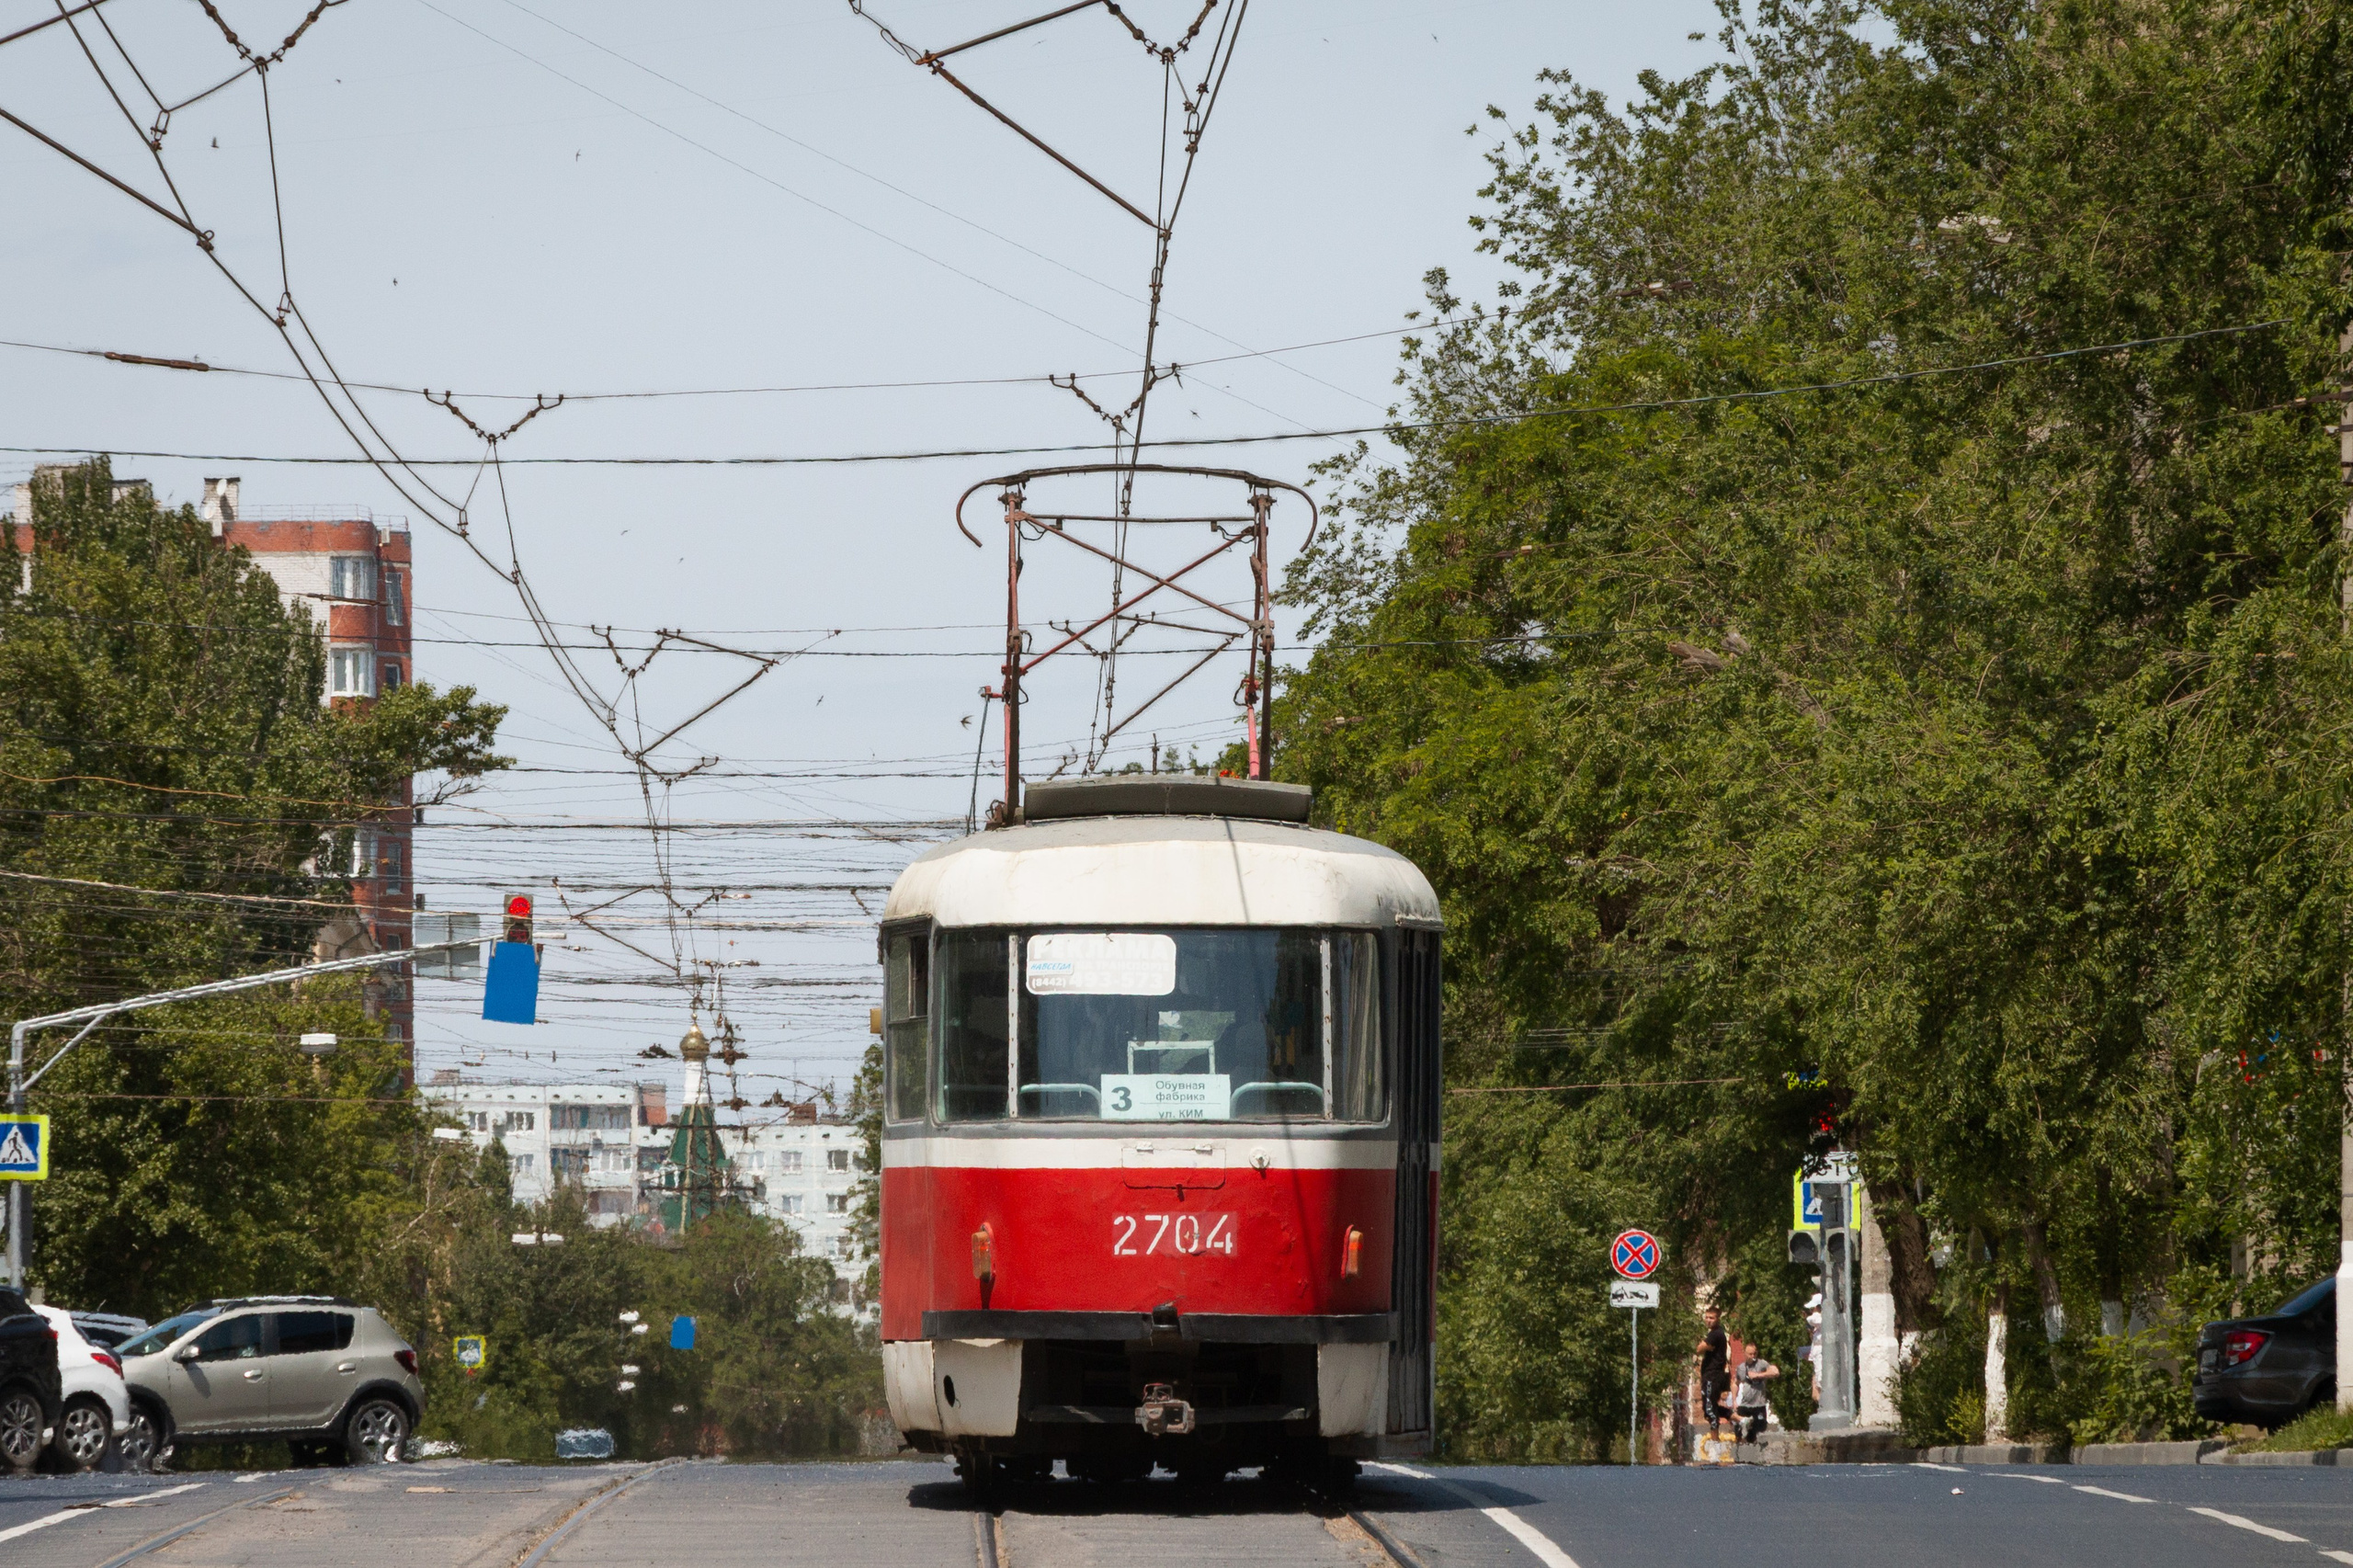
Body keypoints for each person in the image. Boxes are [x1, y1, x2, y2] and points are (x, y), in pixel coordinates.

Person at [1693, 1306, 1730, 1437]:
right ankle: (1737, 1418)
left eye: (1712, 1318)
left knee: (1709, 1409)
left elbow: (1699, 1349)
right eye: (1707, 1317)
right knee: (1709, 1408)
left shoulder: (1716, 1334)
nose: (1708, 1320)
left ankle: (1715, 1441)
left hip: (1713, 1376)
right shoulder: (1715, 1333)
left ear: (1718, 1319)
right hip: (1712, 1375)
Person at [1733, 1346, 1780, 1441]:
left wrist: (1758, 1375)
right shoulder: (1741, 1368)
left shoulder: (1762, 1364)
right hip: (1745, 1405)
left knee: (1758, 1431)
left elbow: (1776, 1372)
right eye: (1750, 1354)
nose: (1753, 1356)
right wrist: (1734, 1400)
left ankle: (1756, 1452)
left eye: (1754, 1353)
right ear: (1745, 1354)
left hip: (1758, 1405)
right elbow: (1735, 1383)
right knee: (1739, 1432)